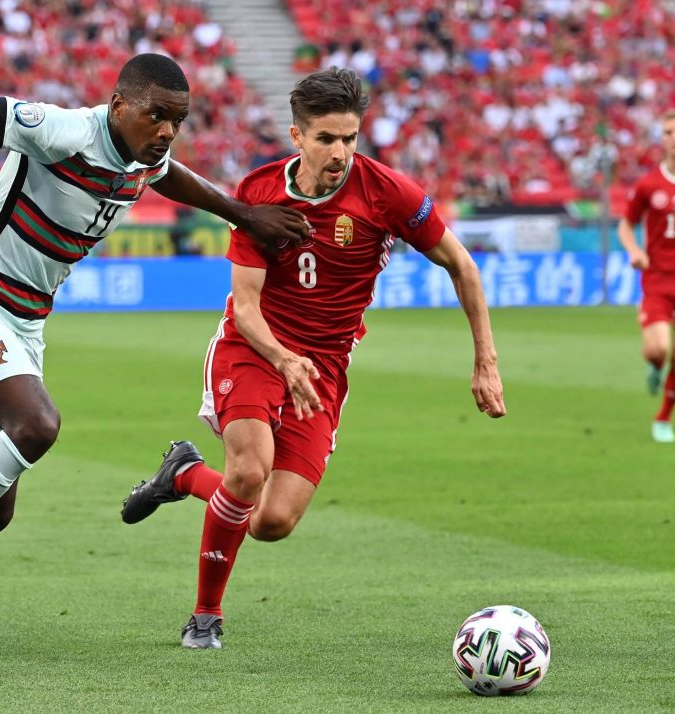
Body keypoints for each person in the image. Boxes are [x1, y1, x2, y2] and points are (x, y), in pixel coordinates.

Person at [0, 53, 312, 658]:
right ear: (118, 105)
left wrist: (243, 214)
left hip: (23, 322)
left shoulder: (142, 155)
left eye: (177, 121)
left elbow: (171, 176)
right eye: (156, 115)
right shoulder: (65, 131)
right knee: (37, 425)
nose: (167, 131)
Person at [120, 67, 507, 650]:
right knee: (248, 470)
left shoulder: (388, 193)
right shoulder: (259, 192)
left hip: (325, 365)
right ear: (298, 136)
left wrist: (486, 361)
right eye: (327, 138)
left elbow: (463, 265)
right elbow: (245, 307)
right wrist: (282, 358)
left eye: (350, 138)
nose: (340, 152)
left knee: (272, 522)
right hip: (254, 347)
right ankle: (205, 616)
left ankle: (184, 475)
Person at [617, 110, 675, 444]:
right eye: (668, 132)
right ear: (662, 140)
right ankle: (654, 366)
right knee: (658, 350)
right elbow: (626, 224)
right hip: (658, 279)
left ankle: (664, 417)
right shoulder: (649, 184)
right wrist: (634, 252)